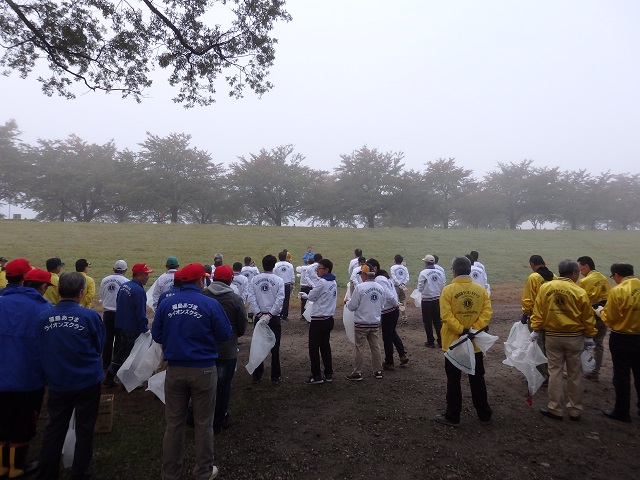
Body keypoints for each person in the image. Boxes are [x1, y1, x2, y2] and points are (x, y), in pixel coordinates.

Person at [152, 263, 231, 480]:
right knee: (204, 423)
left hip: (175, 369)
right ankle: (203, 471)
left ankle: (170, 473)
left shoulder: (166, 304)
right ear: (199, 281)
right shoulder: (210, 304)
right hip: (204, 370)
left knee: (174, 424)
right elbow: (225, 333)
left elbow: (157, 335)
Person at [35, 272, 105, 480]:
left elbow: (41, 346)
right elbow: (99, 345)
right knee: (85, 427)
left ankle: (47, 473)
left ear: (57, 290)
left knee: (55, 426)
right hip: (87, 381)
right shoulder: (90, 316)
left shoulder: (44, 317)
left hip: (58, 380)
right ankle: (80, 472)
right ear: (81, 292)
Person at [0, 262, 53, 477]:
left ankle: (2, 466)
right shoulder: (43, 308)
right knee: (23, 423)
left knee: (2, 420)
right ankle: (17, 467)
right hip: (28, 377)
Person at [530, 260, 597, 421]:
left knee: (555, 372)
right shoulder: (579, 291)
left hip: (552, 336)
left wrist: (535, 330)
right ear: (574, 273)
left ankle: (555, 408)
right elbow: (587, 317)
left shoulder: (545, 288)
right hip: (574, 338)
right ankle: (574, 409)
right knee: (575, 374)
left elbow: (538, 312)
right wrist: (589, 335)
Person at [435, 256, 492, 427]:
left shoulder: (447, 290)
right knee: (477, 378)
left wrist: (462, 330)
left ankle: (452, 415)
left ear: (454, 271)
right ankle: (484, 413)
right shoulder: (481, 290)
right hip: (475, 343)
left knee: (453, 379)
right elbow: (486, 312)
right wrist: (474, 329)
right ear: (469, 270)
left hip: (454, 343)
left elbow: (446, 316)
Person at [201, 265, 247, 433]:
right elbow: (242, 325)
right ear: (230, 280)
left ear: (213, 278)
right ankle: (219, 418)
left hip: (204, 347)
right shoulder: (235, 299)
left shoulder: (202, 295)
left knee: (203, 384)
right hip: (227, 349)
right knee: (223, 384)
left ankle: (200, 414)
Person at [599, 263, 640, 423]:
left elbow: (611, 318)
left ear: (616, 275)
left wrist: (600, 312)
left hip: (622, 337)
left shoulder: (618, 291)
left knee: (622, 375)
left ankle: (622, 410)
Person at [103, 263, 154, 388]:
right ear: (139, 275)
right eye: (146, 274)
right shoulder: (139, 290)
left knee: (121, 352)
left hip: (121, 325)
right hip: (132, 327)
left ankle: (109, 376)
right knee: (132, 355)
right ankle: (127, 382)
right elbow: (140, 312)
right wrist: (145, 328)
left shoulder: (124, 286)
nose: (148, 277)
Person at [247, 255, 285, 385]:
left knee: (258, 344)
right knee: (275, 348)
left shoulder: (254, 279)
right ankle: (275, 376)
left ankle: (257, 375)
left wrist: (258, 313)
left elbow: (251, 297)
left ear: (263, 265)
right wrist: (270, 314)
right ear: (274, 265)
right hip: (273, 318)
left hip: (259, 316)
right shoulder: (279, 280)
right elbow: (280, 300)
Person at [345, 264, 385, 381]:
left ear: (364, 274)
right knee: (375, 347)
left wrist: (347, 302)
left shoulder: (360, 288)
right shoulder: (380, 287)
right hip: (375, 322)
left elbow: (352, 306)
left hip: (361, 322)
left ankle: (357, 372)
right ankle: (378, 370)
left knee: (359, 348)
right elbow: (382, 305)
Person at [301, 258, 337, 384]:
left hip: (319, 319)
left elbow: (312, 296)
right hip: (328, 318)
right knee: (325, 346)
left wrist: (306, 296)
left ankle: (316, 375)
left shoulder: (322, 282)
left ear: (326, 270)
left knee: (314, 348)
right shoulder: (333, 281)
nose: (317, 270)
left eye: (320, 268)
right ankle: (328, 373)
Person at [576, 256, 611, 382]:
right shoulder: (604, 278)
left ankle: (579, 372)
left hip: (590, 319)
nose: (579, 271)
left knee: (580, 344)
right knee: (599, 345)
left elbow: (580, 303)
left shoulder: (584, 282)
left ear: (586, 266)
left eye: (580, 268)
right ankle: (595, 373)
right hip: (603, 316)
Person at [521, 255, 555, 381]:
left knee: (537, 345)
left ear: (531, 264)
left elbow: (528, 298)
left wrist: (525, 313)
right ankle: (551, 373)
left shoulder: (534, 277)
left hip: (536, 317)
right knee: (548, 346)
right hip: (551, 316)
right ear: (544, 263)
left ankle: (542, 375)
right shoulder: (554, 277)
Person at [376, 268, 408, 371]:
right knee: (392, 333)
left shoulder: (379, 279)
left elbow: (389, 295)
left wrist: (396, 304)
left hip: (388, 311)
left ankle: (389, 362)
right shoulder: (385, 278)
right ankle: (402, 355)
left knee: (387, 337)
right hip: (393, 310)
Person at [99, 260, 129, 370]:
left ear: (113, 268)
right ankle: (116, 364)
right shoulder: (126, 282)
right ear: (125, 270)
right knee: (119, 340)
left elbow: (102, 297)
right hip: (120, 313)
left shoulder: (104, 280)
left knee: (108, 339)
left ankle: (105, 363)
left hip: (107, 313)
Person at [417, 254, 446, 348]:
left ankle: (430, 341)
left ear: (426, 262)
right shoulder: (440, 272)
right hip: (437, 298)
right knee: (437, 320)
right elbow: (443, 284)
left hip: (426, 300)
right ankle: (441, 340)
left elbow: (420, 288)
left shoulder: (423, 273)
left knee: (427, 321)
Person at [274, 251, 295, 321]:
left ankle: (278, 314)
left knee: (278, 300)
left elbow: (274, 275)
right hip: (287, 284)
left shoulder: (276, 265)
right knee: (286, 300)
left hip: (278, 285)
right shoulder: (290, 265)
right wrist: (293, 282)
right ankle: (285, 316)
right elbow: (292, 275)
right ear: (285, 257)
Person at [390, 254, 410, 322]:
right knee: (403, 301)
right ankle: (404, 317)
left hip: (395, 287)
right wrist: (403, 284)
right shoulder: (404, 268)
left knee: (394, 302)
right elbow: (407, 277)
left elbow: (393, 277)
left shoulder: (393, 267)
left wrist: (399, 284)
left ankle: (393, 318)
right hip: (403, 287)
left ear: (395, 260)